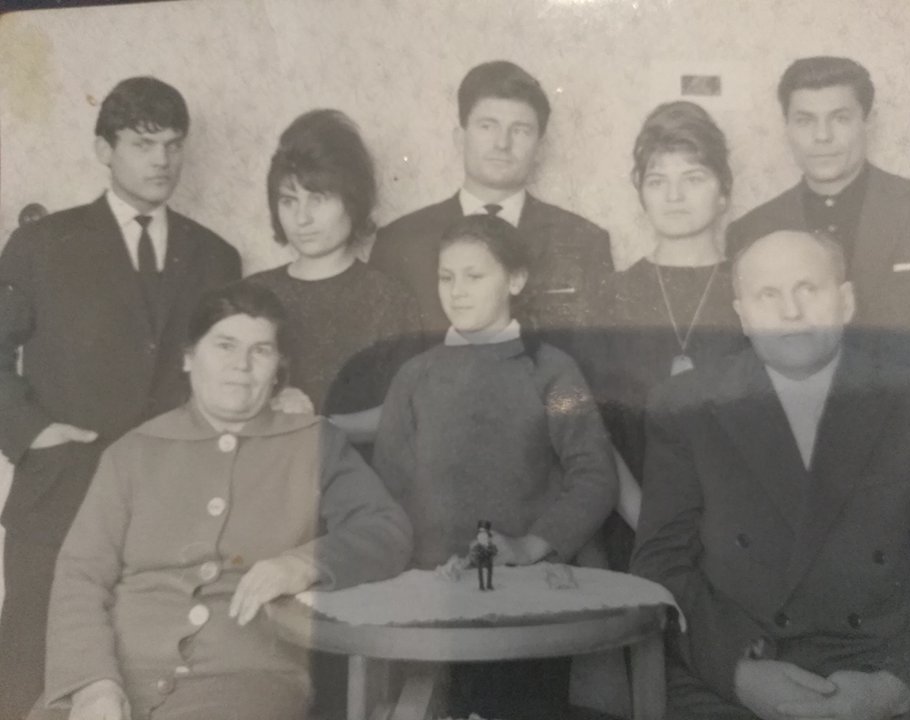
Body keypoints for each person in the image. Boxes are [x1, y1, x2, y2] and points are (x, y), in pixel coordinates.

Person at [30, 282, 412, 720]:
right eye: (225, 346)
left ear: (278, 368)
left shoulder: (313, 442)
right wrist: (93, 686)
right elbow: (80, 576)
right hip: (116, 673)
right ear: (189, 357)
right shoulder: (131, 453)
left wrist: (302, 563)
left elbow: (386, 527)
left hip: (246, 679)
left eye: (261, 350)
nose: (241, 366)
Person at [631, 230, 910, 719]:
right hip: (737, 670)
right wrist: (739, 674)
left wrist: (895, 688)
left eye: (809, 288)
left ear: (846, 301)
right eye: (768, 294)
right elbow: (661, 564)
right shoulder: (685, 405)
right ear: (743, 315)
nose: (791, 311)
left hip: (885, 668)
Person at [0, 76, 241, 719]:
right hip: (59, 498)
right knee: (30, 678)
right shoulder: (41, 245)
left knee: (148, 678)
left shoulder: (216, 257)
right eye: (142, 143)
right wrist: (33, 433)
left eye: (173, 144)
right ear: (104, 150)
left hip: (170, 505)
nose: (162, 160)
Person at [373, 214, 617, 720]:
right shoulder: (414, 377)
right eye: (446, 277)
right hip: (432, 596)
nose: (457, 291)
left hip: (524, 595)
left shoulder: (553, 372)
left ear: (516, 280)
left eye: (474, 275)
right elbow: (387, 492)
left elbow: (594, 475)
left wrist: (530, 546)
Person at [726, 56, 910, 388]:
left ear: (868, 121)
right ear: (786, 127)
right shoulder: (752, 229)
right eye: (805, 120)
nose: (822, 136)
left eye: (840, 118)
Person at [369, 60, 613, 362]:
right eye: (487, 126)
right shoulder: (399, 243)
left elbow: (598, 367)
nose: (502, 143)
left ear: (540, 147)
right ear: (460, 137)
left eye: (520, 130)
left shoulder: (584, 242)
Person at [599, 101, 745, 542]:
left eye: (693, 178)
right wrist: (651, 526)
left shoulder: (756, 289)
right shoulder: (611, 295)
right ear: (640, 193)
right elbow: (594, 432)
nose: (674, 196)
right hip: (634, 528)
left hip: (741, 530)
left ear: (724, 192)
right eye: (658, 180)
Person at [247, 109, 421, 445]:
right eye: (289, 201)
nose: (302, 218)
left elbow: (405, 412)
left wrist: (318, 425)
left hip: (357, 472)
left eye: (318, 199)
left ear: (352, 202)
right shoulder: (251, 294)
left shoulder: (390, 300)